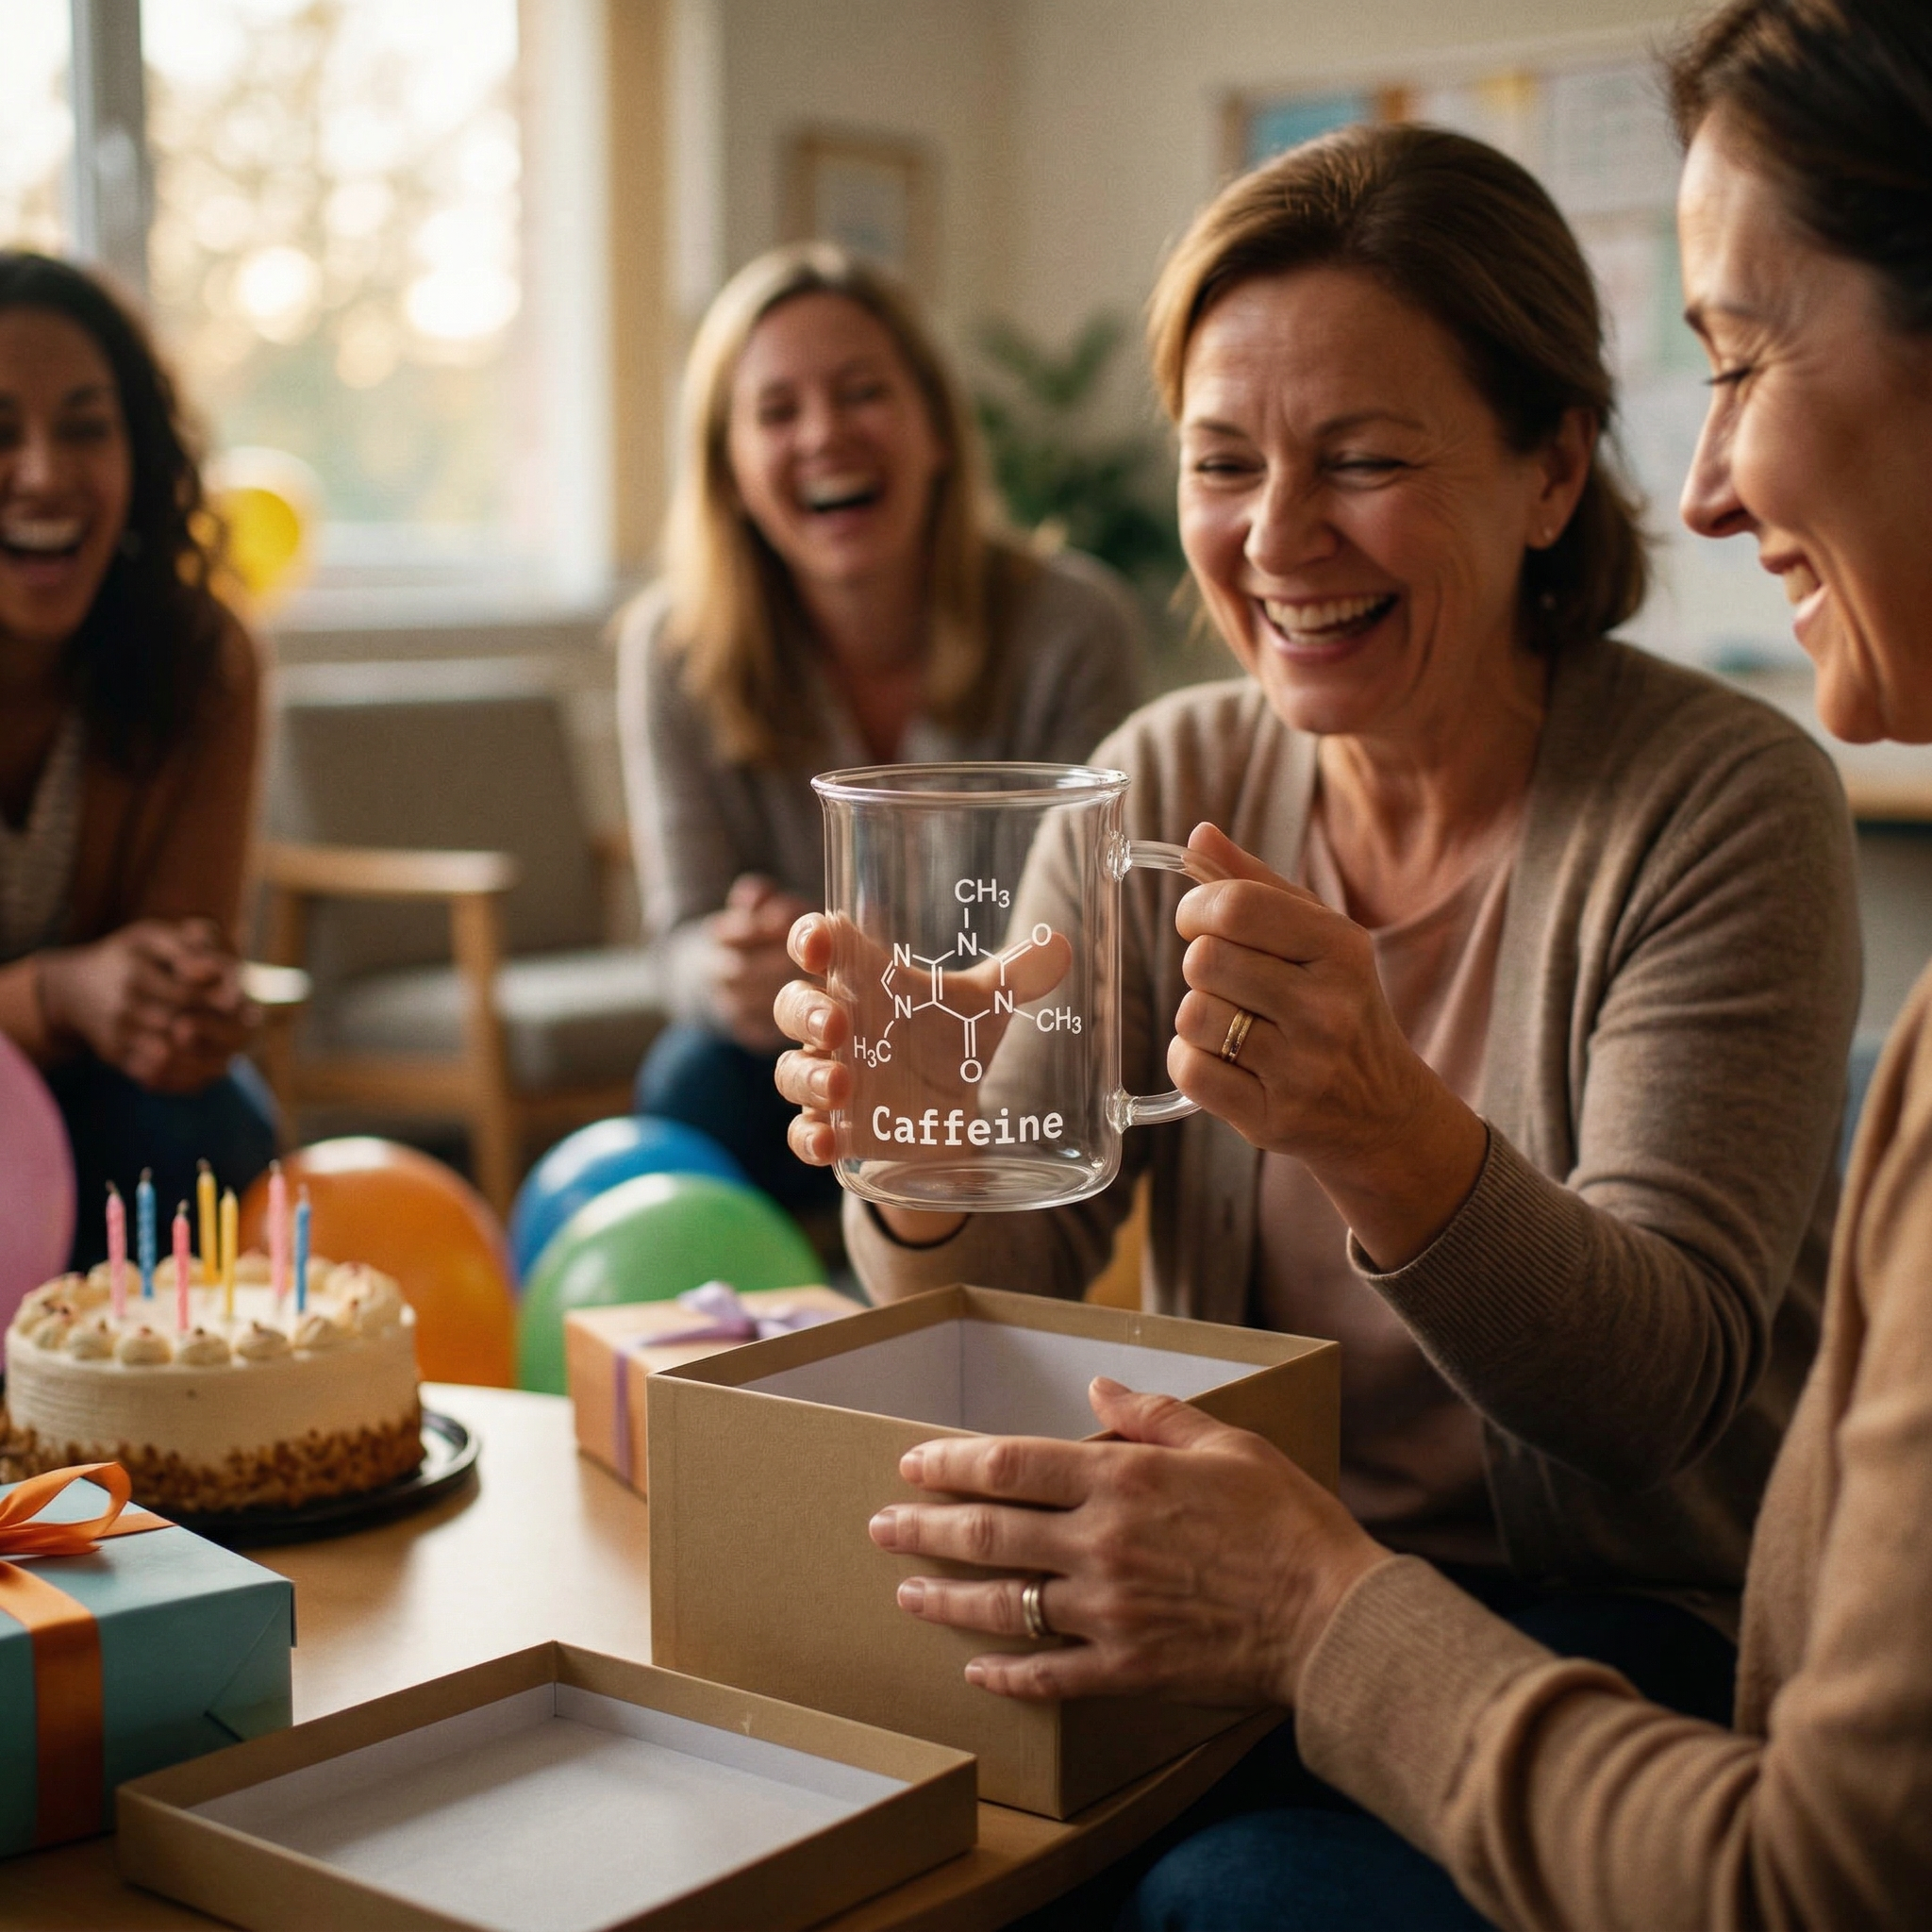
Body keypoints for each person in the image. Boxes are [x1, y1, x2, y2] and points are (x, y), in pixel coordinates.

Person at [856, 1, 1932, 1924]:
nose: (1274, 538)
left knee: (1216, 1903)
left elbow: (1656, 1402)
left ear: (1545, 475)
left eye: (1357, 458)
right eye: (1218, 463)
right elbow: (989, 1259)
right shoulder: (1166, 775)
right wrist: (910, 1138)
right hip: (1223, 1586)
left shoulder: (1713, 800)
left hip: (1597, 1630)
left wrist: (1377, 1127)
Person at [618, 243, 1143, 1222]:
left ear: (937, 430)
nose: (823, 435)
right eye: (776, 412)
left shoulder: (1071, 624)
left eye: (861, 392)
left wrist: (926, 995)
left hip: (1011, 1045)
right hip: (801, 1057)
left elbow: (1093, 932)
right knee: (692, 1075)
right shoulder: (670, 648)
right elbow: (676, 932)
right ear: (728, 467)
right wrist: (726, 971)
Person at [0, 253, 274, 1269]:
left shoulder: (203, 658)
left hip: (97, 1096)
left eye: (85, 426)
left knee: (207, 1113)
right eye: (0, 432)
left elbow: (186, 936)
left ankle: (186, 1417)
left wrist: (185, 1005)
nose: (44, 471)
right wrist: (61, 993)